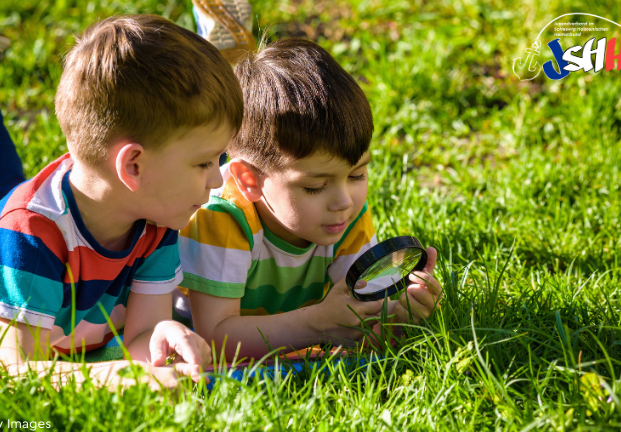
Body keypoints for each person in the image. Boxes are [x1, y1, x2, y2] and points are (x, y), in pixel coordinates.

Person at [0, 15, 243, 390]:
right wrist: (123, 377)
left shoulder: (156, 219)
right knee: (6, 211)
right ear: (132, 165)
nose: (217, 179)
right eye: (204, 163)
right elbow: (16, 370)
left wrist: (164, 338)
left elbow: (141, 336)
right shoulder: (29, 236)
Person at [177, 32, 444, 360]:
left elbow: (359, 333)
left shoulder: (346, 216)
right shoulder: (221, 218)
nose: (343, 200)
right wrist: (318, 324)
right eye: (315, 185)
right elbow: (215, 340)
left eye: (357, 174)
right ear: (249, 180)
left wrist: (399, 317)